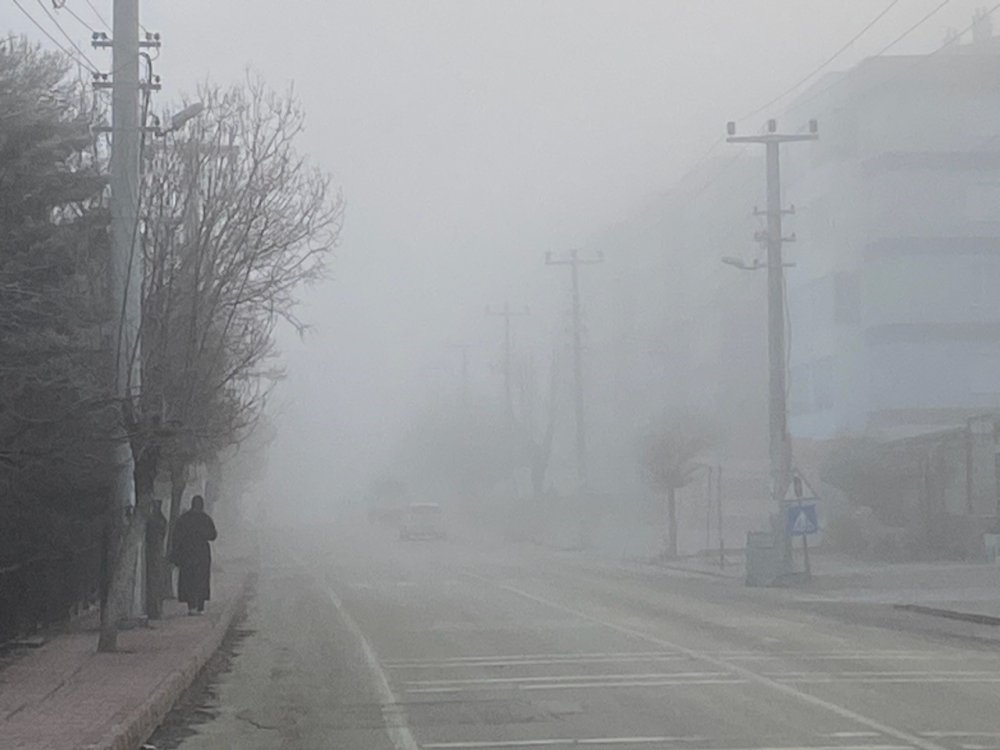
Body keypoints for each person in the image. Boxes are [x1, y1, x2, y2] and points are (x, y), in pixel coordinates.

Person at [170, 495, 218, 615]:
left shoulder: (184, 519)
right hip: (201, 554)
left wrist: (176, 553)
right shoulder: (205, 519)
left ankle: (191, 606)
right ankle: (200, 606)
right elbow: (213, 535)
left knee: (189, 580)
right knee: (201, 579)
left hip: (187, 554)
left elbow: (176, 537)